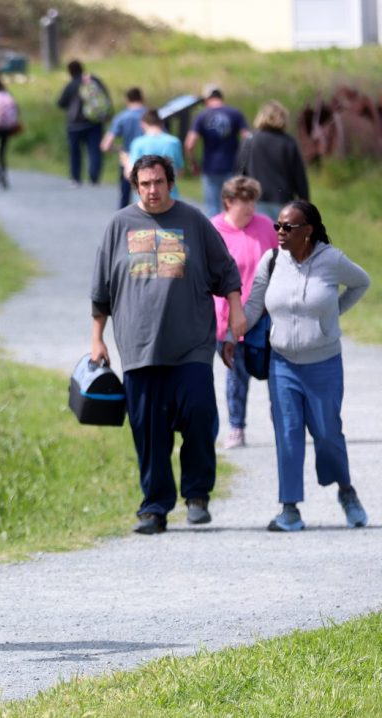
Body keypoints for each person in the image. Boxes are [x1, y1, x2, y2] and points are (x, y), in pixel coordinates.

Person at [91, 155, 244, 535]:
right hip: (139, 347)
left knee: (200, 415)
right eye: (145, 184)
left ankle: (197, 495)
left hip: (190, 343)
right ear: (135, 185)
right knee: (148, 430)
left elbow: (225, 270)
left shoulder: (193, 221)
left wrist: (237, 311)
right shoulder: (118, 225)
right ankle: (155, 507)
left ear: (170, 181)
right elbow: (101, 291)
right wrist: (97, 338)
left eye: (158, 182)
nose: (152, 190)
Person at [222, 201, 370, 532]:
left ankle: (346, 491)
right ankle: (289, 508)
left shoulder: (331, 260)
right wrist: (232, 336)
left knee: (328, 434)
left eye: (288, 227)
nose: (280, 232)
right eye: (277, 226)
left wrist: (333, 314)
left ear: (308, 231)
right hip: (282, 364)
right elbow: (255, 304)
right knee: (287, 433)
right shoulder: (272, 260)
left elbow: (362, 282)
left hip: (324, 365)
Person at [211, 177, 279, 449]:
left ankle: (283, 426)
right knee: (237, 374)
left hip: (265, 316)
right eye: (244, 201)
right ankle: (236, 427)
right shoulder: (213, 229)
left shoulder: (265, 226)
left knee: (276, 372)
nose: (250, 207)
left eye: (253, 200)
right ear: (228, 202)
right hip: (228, 317)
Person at [236, 100, 310, 219]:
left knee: (259, 237)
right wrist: (305, 204)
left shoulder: (250, 140)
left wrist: (238, 199)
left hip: (255, 200)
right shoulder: (288, 142)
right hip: (283, 201)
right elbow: (299, 177)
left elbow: (240, 171)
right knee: (281, 236)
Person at [185, 85, 250, 216]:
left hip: (210, 168)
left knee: (212, 209)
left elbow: (190, 143)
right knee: (233, 207)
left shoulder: (201, 116)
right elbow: (248, 138)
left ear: (207, 99)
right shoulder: (235, 113)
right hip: (232, 166)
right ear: (221, 97)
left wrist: (193, 162)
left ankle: (214, 235)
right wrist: (247, 160)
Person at [57, 59, 109, 187]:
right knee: (94, 150)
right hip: (94, 123)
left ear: (70, 71)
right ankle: (94, 177)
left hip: (74, 125)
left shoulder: (71, 85)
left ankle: (76, 178)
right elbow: (104, 98)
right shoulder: (94, 81)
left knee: (75, 152)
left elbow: (61, 103)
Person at [101, 87, 146, 208]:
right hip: (148, 159)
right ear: (142, 98)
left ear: (127, 100)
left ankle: (123, 221)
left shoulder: (121, 117)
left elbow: (106, 145)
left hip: (128, 159)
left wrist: (119, 149)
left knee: (125, 194)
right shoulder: (150, 116)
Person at [127, 110, 184, 200]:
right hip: (169, 195)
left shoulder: (138, 143)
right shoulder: (173, 142)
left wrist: (125, 160)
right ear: (161, 123)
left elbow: (130, 173)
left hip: (144, 198)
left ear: (142, 124)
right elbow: (180, 172)